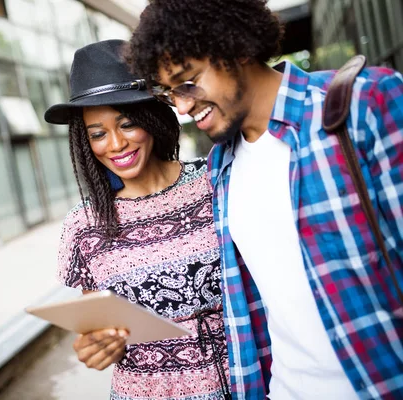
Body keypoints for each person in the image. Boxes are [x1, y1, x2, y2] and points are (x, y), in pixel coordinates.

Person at [125, 1, 403, 399]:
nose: (183, 107)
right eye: (171, 94)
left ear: (234, 45)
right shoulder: (222, 164)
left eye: (188, 82)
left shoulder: (364, 105)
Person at [44, 39, 231, 400]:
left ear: (153, 118)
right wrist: (99, 345)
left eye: (127, 124)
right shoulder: (85, 225)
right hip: (143, 392)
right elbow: (101, 325)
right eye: (97, 134)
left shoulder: (215, 180)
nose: (114, 144)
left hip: (239, 381)